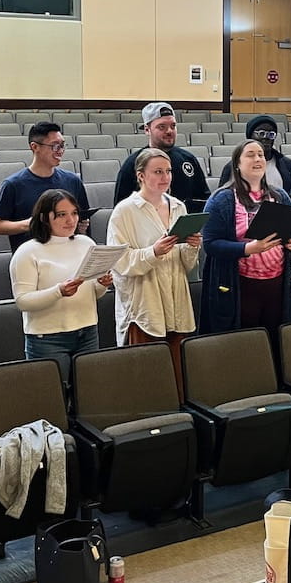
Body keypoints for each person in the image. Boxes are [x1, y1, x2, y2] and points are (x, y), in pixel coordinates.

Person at [107, 148, 202, 398]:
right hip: (145, 303)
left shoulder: (178, 206)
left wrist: (192, 247)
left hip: (175, 298)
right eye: (158, 172)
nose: (165, 177)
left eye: (168, 171)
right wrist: (153, 252)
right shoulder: (125, 211)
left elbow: (186, 265)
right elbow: (120, 263)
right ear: (141, 176)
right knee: (146, 378)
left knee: (177, 375)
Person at [200, 140, 291, 337]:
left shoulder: (280, 196)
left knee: (275, 339)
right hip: (238, 284)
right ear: (237, 164)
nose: (257, 159)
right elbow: (210, 244)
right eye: (250, 155)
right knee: (244, 341)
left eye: (260, 155)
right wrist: (248, 249)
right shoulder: (221, 199)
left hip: (276, 284)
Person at [9, 189, 112, 382]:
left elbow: (93, 293)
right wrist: (59, 292)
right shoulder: (27, 252)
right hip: (47, 338)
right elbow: (23, 301)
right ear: (44, 218)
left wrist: (102, 284)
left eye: (74, 213)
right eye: (62, 215)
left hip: (87, 331)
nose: (70, 220)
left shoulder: (86, 243)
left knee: (90, 390)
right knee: (53, 394)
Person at [0, 121, 90, 252]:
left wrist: (81, 225)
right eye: (55, 146)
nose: (60, 151)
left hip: (68, 253)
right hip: (31, 256)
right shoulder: (13, 184)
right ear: (35, 147)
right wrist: (29, 224)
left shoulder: (73, 181)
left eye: (62, 145)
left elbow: (83, 217)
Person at [113, 102, 210, 206]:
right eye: (162, 127)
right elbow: (121, 207)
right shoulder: (133, 164)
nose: (169, 131)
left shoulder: (188, 159)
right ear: (147, 130)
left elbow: (204, 201)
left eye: (173, 126)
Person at [216, 115, 291, 191]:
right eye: (261, 133)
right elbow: (221, 196)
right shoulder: (233, 166)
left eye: (271, 134)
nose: (266, 138)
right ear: (250, 136)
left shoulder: (288, 165)